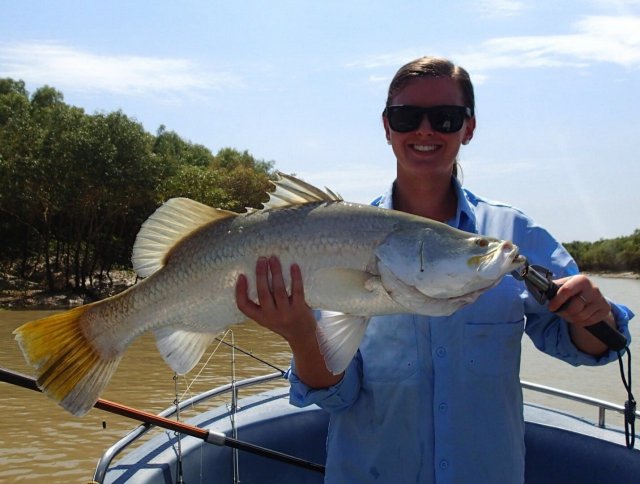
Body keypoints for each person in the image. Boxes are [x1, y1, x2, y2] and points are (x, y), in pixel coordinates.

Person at [235, 56, 634, 483]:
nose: (425, 130)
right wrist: (298, 333)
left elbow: (584, 347)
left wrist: (594, 316)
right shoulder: (329, 240)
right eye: (407, 117)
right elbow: (336, 392)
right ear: (387, 126)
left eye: (445, 118)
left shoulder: (512, 233)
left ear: (469, 127)